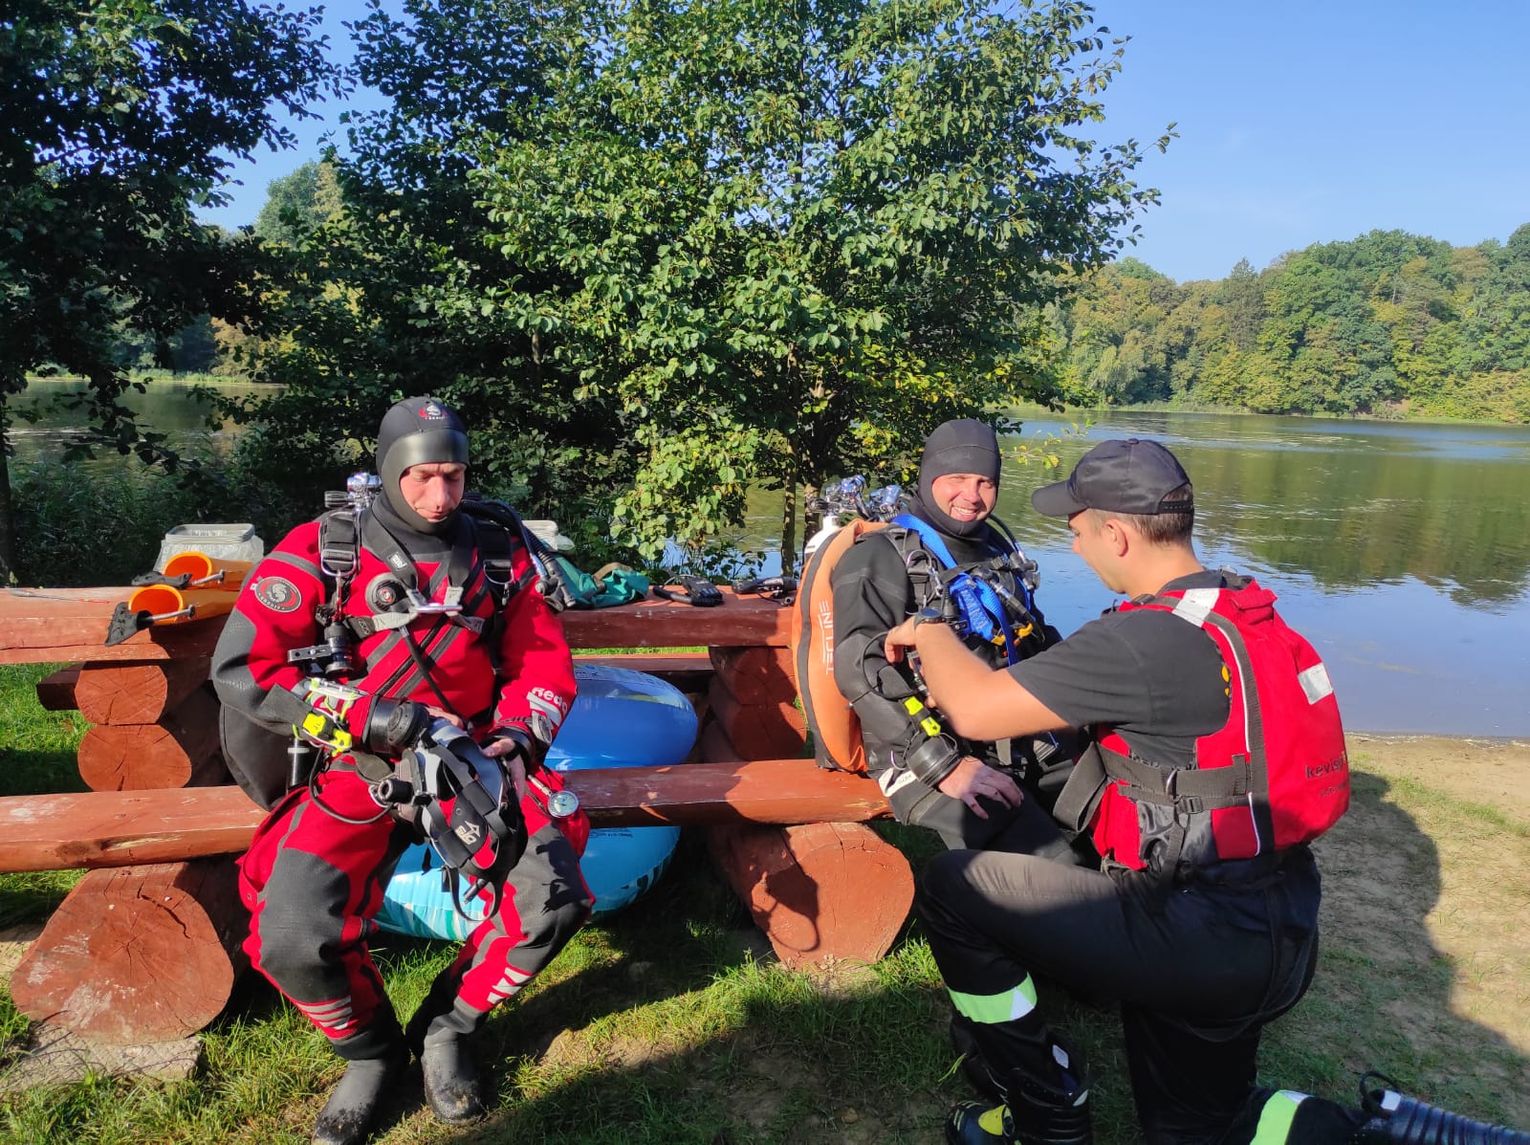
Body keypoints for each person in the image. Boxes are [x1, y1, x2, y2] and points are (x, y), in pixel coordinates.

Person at [884, 438, 1528, 1145]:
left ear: (1118, 534)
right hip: (1278, 927)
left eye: (1077, 532)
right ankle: (1392, 1132)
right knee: (1198, 1128)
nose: (1077, 548)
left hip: (1191, 933)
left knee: (953, 885)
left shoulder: (1141, 641)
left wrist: (931, 631)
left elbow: (974, 707)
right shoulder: (1241, 606)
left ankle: (1044, 1114)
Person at [212, 396, 592, 1145]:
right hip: (360, 762)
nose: (440, 496)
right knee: (291, 930)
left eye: (452, 476)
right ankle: (371, 1051)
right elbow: (244, 667)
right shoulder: (327, 549)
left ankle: (449, 1028)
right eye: (421, 477)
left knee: (551, 895)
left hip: (476, 758)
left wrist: (519, 731)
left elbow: (542, 660)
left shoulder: (497, 552)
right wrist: (367, 717)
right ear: (389, 470)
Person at [829, 418, 1080, 859]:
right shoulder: (877, 557)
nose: (972, 495)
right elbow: (858, 668)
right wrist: (944, 764)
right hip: (916, 751)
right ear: (929, 478)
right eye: (957, 479)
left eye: (985, 482)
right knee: (1056, 864)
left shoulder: (997, 552)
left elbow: (1036, 640)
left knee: (1108, 811)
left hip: (1010, 732)